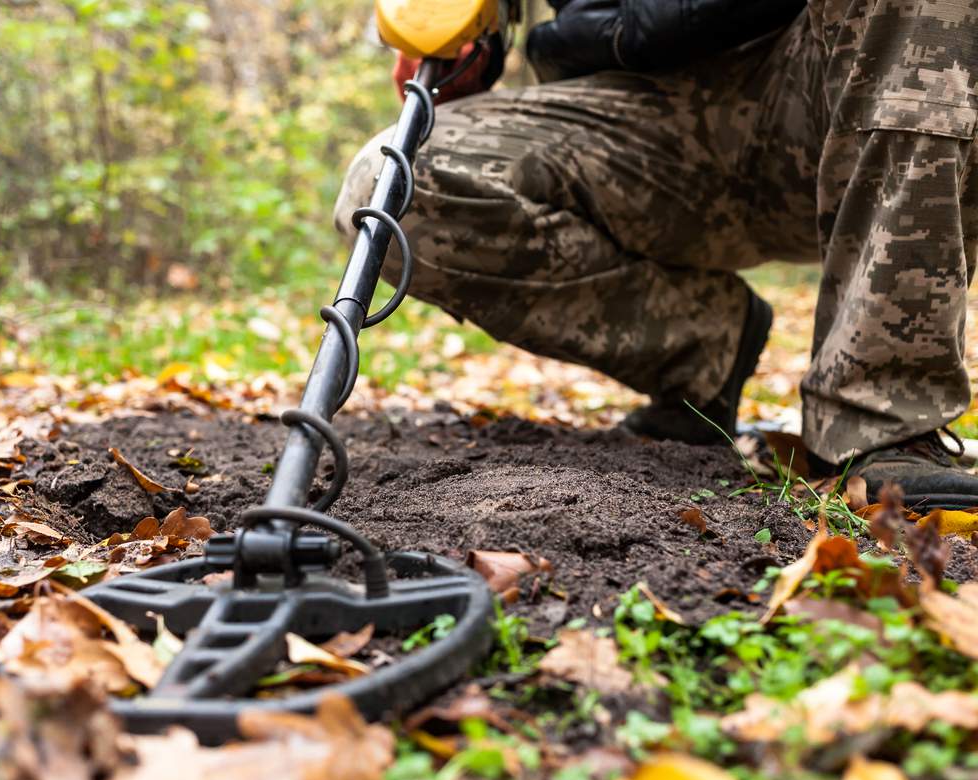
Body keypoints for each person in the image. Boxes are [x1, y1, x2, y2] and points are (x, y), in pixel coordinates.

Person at [336, 0, 978, 510]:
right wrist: (460, 36)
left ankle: (885, 418)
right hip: (629, 114)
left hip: (846, 81)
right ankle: (707, 350)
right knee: (391, 184)